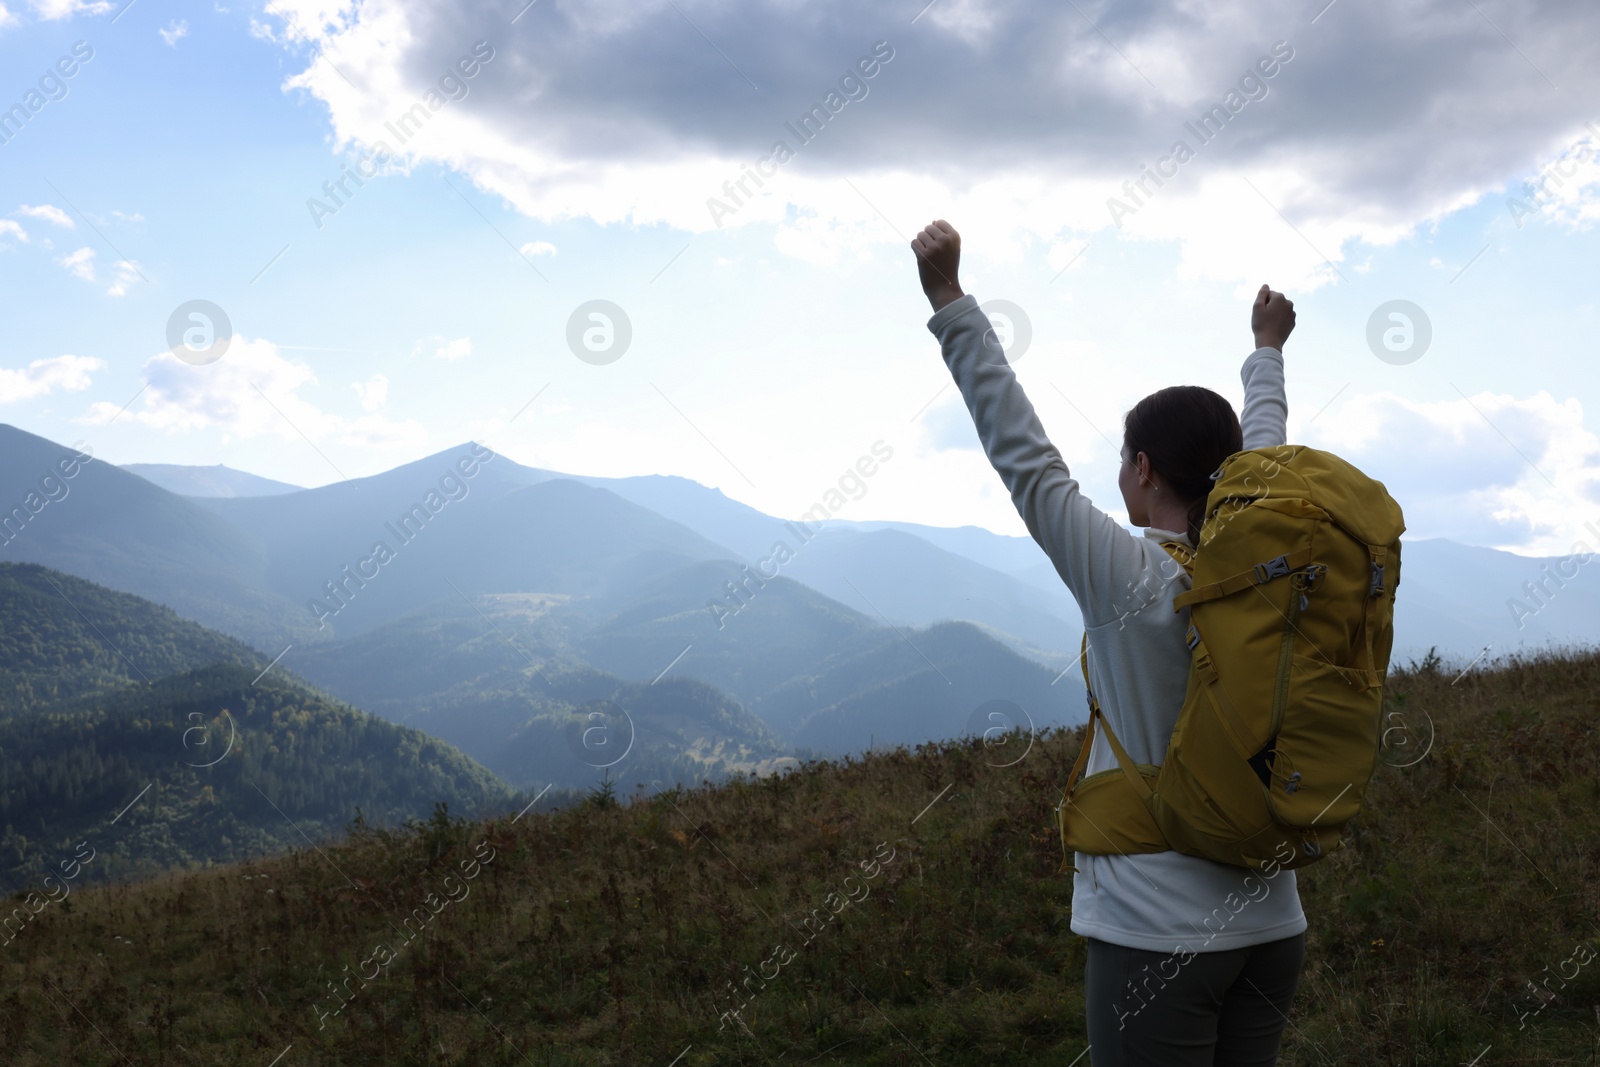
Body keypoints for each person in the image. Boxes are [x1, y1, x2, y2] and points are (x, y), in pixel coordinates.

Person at [911, 219, 1304, 1066]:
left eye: (1125, 459)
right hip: (1274, 921)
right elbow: (1260, 451)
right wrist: (1265, 353)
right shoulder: (1266, 562)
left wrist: (949, 299)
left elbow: (1023, 454)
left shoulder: (1126, 575)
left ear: (1144, 470)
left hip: (1159, 932)